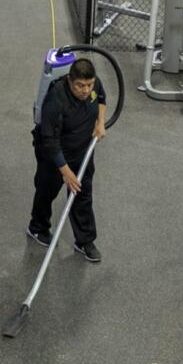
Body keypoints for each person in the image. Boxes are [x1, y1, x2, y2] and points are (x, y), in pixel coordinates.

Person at [28, 58, 107, 262]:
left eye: (89, 85)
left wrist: (100, 123)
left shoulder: (94, 86)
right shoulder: (56, 100)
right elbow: (50, 141)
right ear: (70, 81)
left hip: (82, 151)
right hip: (53, 155)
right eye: (80, 85)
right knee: (47, 191)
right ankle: (37, 228)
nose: (85, 90)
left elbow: (102, 100)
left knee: (83, 195)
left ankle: (84, 241)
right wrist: (66, 172)